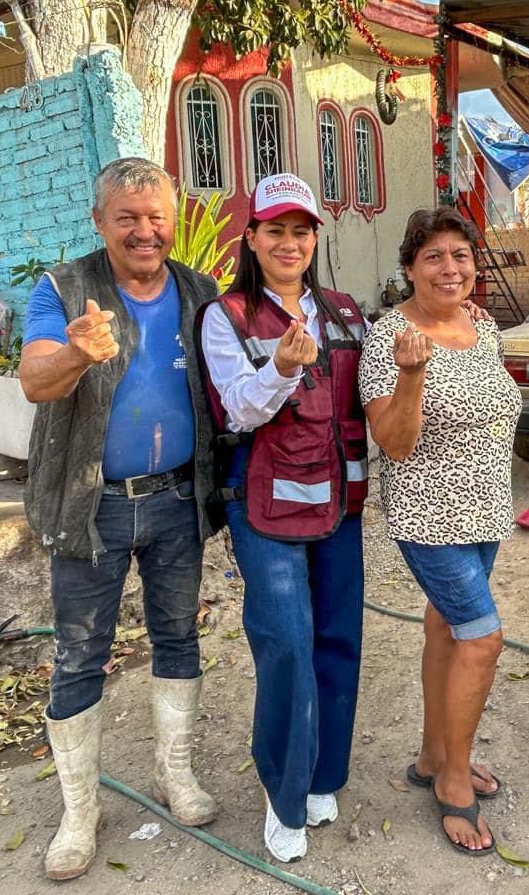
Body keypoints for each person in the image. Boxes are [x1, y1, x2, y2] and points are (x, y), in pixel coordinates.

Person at [19, 156, 220, 881]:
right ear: (99, 221)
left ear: (174, 217)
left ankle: (176, 774)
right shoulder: (65, 289)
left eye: (156, 215)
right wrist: (75, 350)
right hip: (89, 505)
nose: (145, 231)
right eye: (127, 217)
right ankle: (80, 813)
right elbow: (34, 378)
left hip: (175, 500)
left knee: (176, 636)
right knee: (79, 654)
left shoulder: (202, 293)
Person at [196, 173, 368, 864]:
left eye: (301, 230)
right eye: (276, 230)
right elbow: (238, 408)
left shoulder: (349, 313)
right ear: (253, 238)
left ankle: (325, 776)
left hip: (342, 502)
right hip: (264, 504)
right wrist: (283, 371)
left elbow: (372, 398)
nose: (290, 242)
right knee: (287, 644)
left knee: (338, 638)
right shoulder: (228, 316)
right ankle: (285, 794)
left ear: (315, 238)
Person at [358, 208, 521, 857]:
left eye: (460, 255)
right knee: (482, 639)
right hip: (430, 519)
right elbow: (394, 445)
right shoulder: (389, 337)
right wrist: (413, 374)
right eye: (434, 257)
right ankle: (455, 780)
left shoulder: (483, 329)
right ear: (409, 269)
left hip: (487, 512)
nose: (449, 268)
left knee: (444, 627)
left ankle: (432, 755)